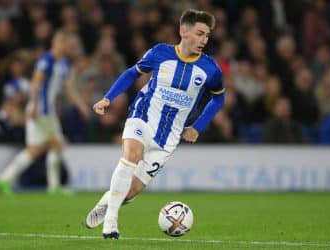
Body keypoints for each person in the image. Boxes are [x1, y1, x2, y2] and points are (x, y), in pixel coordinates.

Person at [85, 9, 225, 239]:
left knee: (130, 192)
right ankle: (110, 222)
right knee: (132, 154)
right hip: (143, 116)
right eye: (200, 33)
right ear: (184, 31)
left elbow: (219, 98)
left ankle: (107, 202)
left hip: (169, 137)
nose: (204, 40)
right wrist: (108, 98)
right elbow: (132, 74)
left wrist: (197, 127)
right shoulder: (160, 53)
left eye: (207, 36)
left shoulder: (210, 69)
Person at [0, 30, 89, 195]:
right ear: (55, 42)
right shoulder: (46, 60)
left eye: (66, 43)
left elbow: (68, 88)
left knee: (35, 149)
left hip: (48, 111)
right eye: (61, 42)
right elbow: (36, 82)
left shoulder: (64, 64)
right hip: (41, 110)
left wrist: (81, 105)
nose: (65, 45)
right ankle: (53, 187)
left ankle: (5, 179)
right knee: (57, 144)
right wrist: (33, 104)